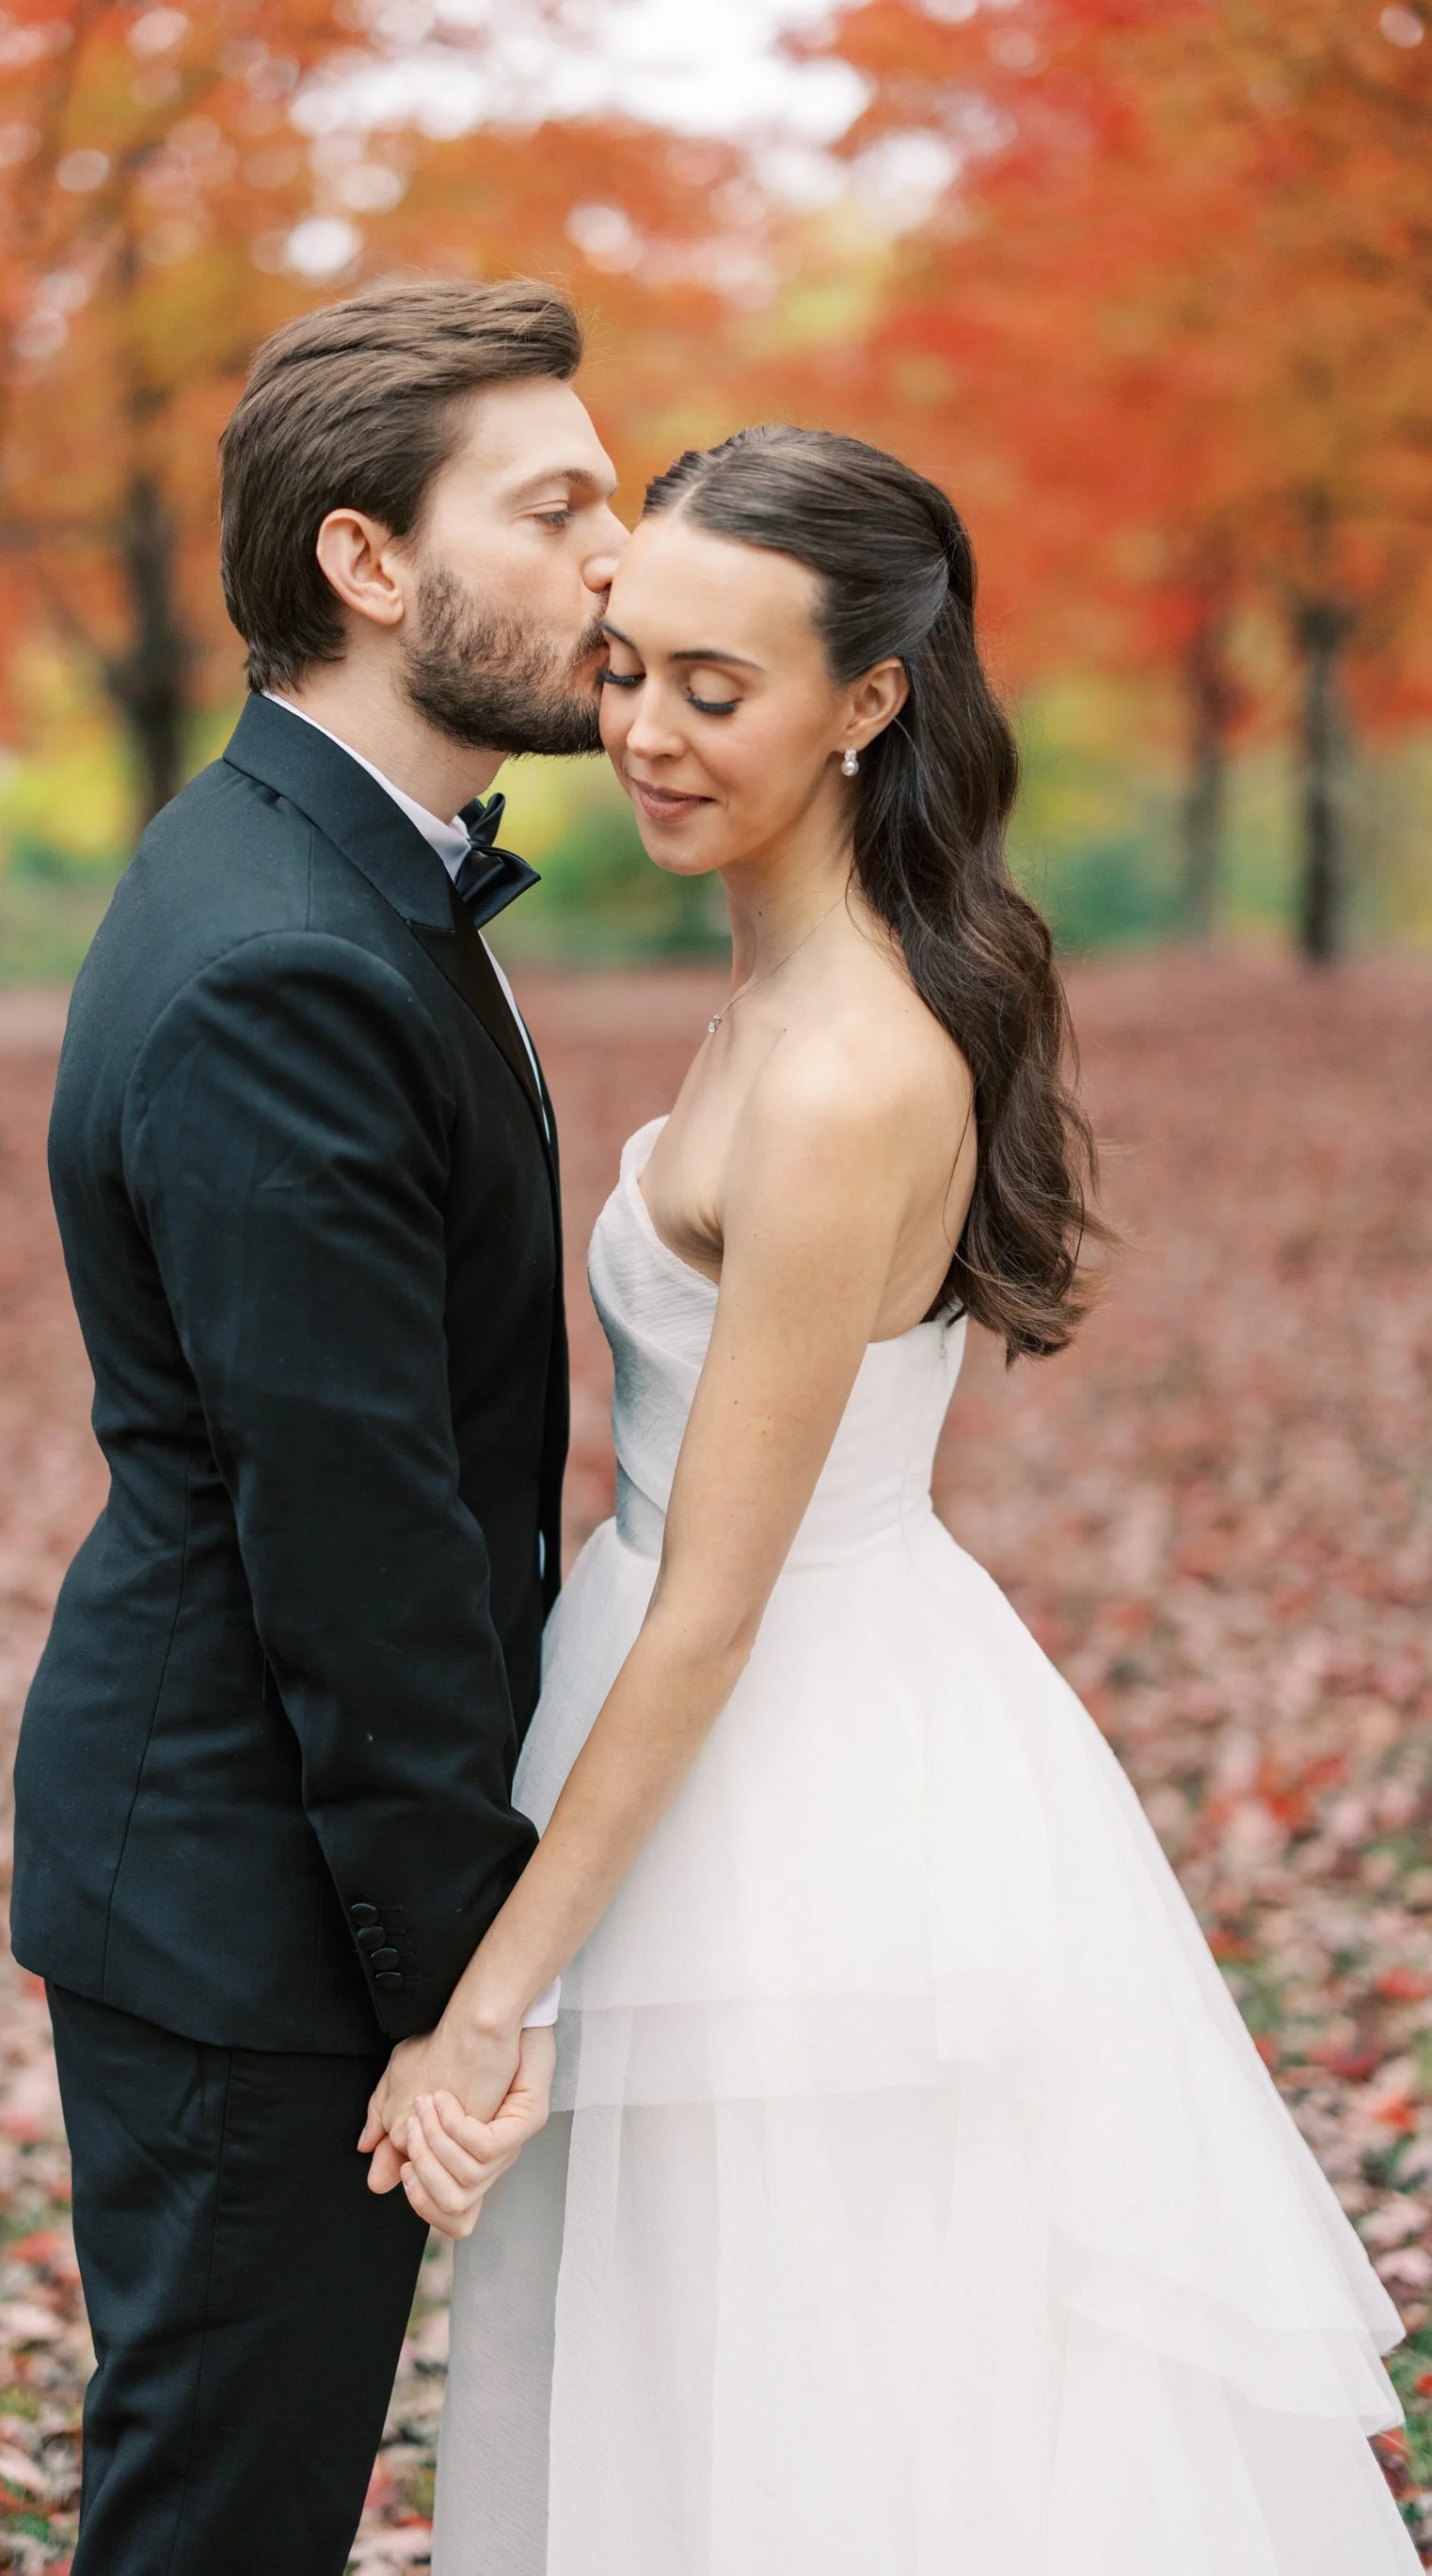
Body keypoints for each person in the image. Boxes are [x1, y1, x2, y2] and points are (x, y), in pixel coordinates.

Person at [360, 428, 1419, 2574]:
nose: (641, 732)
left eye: (714, 692)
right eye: (627, 664)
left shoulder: (848, 1068)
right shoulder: (783, 974)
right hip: (706, 1707)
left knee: (810, 2407)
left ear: (868, 702)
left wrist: (494, 2003)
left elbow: (722, 1600)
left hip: (793, 1786)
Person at [8, 276, 625, 2576]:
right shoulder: (288, 952)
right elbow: (349, 1537)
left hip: (256, 1854)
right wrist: (459, 1991)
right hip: (250, 1898)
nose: (614, 560)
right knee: (220, 2519)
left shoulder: (330, 865)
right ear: (370, 562)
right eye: (553, 505)